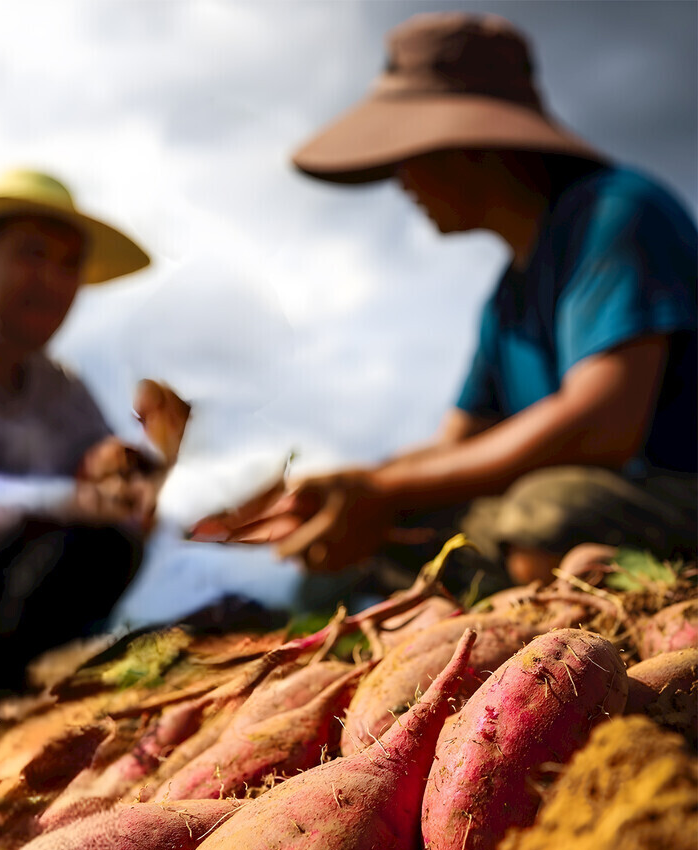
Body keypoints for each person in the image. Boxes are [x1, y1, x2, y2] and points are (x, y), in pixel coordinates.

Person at [193, 13, 697, 596]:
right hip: (578, 508)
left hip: (665, 490)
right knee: (395, 528)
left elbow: (601, 426)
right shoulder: (507, 299)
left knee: (547, 513)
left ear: (470, 145)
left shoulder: (618, 215)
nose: (401, 183)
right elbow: (455, 446)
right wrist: (360, 487)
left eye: (408, 156)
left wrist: (386, 492)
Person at [0, 169, 177, 722]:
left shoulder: (63, 389)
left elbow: (119, 503)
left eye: (68, 264)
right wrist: (57, 498)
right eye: (32, 253)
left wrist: (150, 466)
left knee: (106, 547)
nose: (51, 278)